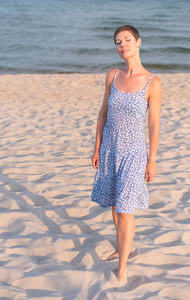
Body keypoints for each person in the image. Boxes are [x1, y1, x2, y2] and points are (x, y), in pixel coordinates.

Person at [91, 24, 162, 285]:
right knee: (114, 203)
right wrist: (97, 146)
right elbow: (103, 113)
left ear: (139, 42)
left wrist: (152, 160)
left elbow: (154, 124)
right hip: (110, 149)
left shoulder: (153, 82)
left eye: (127, 40)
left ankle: (123, 267)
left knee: (125, 208)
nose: (123, 45)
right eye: (118, 42)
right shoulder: (112, 75)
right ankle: (124, 247)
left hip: (134, 153)